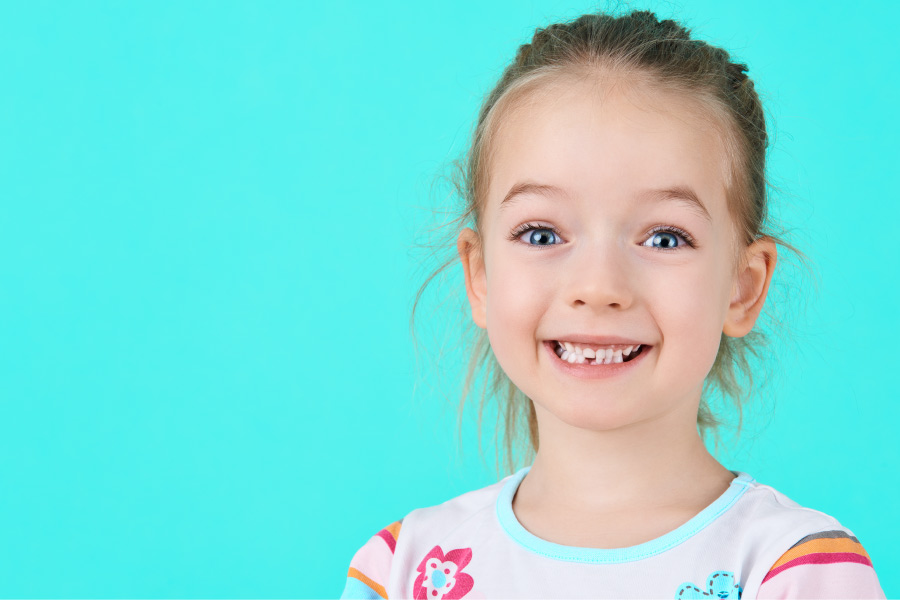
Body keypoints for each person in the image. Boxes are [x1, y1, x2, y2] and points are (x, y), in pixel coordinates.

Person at [339, 9, 885, 599]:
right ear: (480, 276)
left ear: (744, 286)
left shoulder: (795, 570)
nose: (599, 286)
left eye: (665, 238)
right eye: (542, 235)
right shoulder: (402, 569)